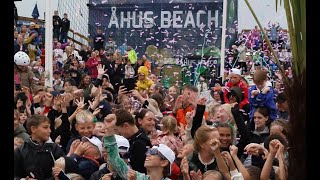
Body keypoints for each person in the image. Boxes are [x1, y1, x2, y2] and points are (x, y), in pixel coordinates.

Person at [103, 115, 175, 180]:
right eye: (149, 151)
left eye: (153, 152)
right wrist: (109, 131)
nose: (148, 154)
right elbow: (115, 161)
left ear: (164, 162)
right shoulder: (138, 177)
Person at [14, 114, 65, 179]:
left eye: (49, 127)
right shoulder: (20, 151)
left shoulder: (54, 149)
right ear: (33, 129)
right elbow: (15, 175)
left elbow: (63, 172)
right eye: (45, 127)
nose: (50, 131)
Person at [111, 109, 152, 174]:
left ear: (126, 126)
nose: (118, 133)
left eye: (117, 130)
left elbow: (138, 171)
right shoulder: (135, 139)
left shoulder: (139, 143)